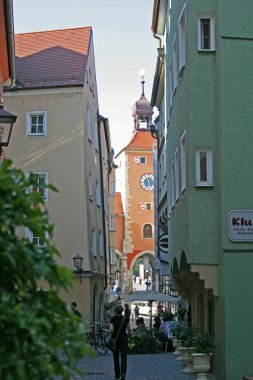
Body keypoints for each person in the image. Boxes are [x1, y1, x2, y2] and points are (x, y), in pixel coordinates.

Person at [109, 304, 131, 380]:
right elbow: (128, 330)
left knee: (116, 357)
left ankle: (117, 374)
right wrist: (130, 336)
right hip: (124, 339)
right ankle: (123, 375)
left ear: (115, 311)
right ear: (122, 311)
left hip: (115, 340)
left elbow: (110, 330)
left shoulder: (113, 319)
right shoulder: (126, 318)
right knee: (124, 357)